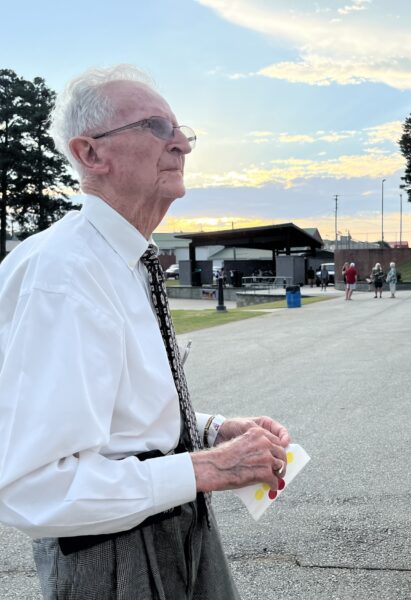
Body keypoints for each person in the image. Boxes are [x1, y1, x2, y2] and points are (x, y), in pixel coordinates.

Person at [0, 65, 291, 600]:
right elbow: (33, 488)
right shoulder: (64, 274)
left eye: (182, 131)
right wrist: (204, 469)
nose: (181, 144)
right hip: (114, 554)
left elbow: (118, 412)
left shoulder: (124, 259)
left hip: (171, 520)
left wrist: (211, 431)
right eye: (157, 127)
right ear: (91, 154)